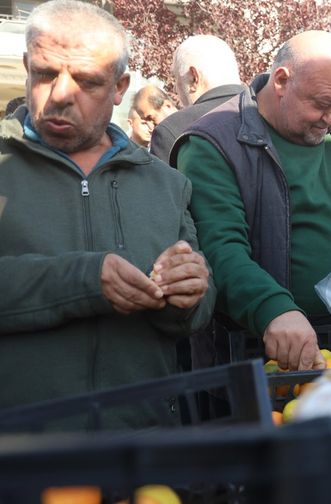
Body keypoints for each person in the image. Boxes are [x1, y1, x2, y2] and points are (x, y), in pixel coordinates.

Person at [0, 0, 214, 422]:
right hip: (20, 458)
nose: (60, 95)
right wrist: (83, 279)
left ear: (120, 87)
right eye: (45, 74)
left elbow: (197, 313)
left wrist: (189, 294)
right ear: (26, 66)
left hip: (141, 453)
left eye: (87, 81)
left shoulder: (165, 183)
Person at [174, 31, 331, 372]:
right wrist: (273, 308)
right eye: (321, 104)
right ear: (282, 81)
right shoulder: (212, 144)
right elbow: (220, 249)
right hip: (270, 350)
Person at [150, 35, 244, 164]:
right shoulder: (270, 114)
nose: (176, 90)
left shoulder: (173, 130)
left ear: (194, 78)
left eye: (176, 80)